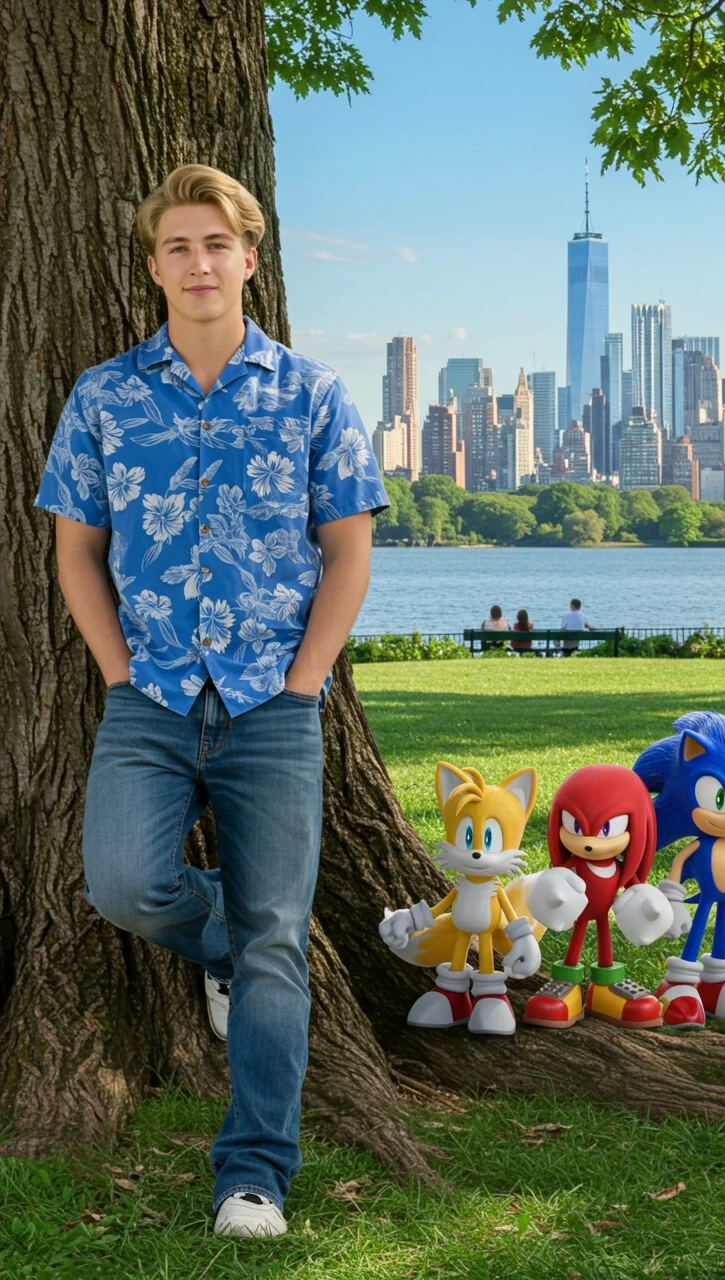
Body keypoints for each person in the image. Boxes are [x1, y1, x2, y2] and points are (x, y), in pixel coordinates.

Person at [32, 164, 389, 1239]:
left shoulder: (313, 395)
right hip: (148, 696)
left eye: (215, 245)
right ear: (154, 268)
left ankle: (254, 1176)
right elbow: (76, 551)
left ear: (249, 259)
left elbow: (348, 553)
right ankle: (230, 941)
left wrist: (304, 681)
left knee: (282, 939)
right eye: (178, 248)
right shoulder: (103, 397)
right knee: (125, 884)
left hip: (272, 702)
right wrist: (118, 671)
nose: (198, 264)